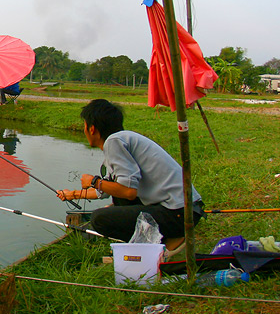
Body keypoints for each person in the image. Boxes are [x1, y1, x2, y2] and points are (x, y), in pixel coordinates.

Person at [55, 99, 204, 254]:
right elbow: (106, 190)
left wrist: (94, 181)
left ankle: (163, 242)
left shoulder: (114, 142)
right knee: (116, 199)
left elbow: (128, 191)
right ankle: (151, 244)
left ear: (91, 128)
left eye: (84, 125)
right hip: (185, 210)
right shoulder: (121, 140)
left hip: (178, 214)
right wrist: (72, 195)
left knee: (99, 219)